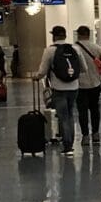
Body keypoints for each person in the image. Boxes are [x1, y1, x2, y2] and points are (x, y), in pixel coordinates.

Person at [36, 23, 87, 155]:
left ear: (54, 36)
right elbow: (84, 69)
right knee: (70, 115)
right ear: (65, 35)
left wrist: (36, 77)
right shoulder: (75, 49)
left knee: (63, 116)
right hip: (74, 87)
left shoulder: (49, 50)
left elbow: (42, 71)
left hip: (58, 88)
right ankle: (70, 144)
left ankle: (67, 146)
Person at [72, 24, 101, 144]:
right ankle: (96, 133)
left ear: (78, 34)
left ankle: (85, 135)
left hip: (80, 84)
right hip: (95, 83)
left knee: (82, 111)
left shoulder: (74, 48)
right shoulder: (97, 48)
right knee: (94, 109)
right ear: (89, 34)